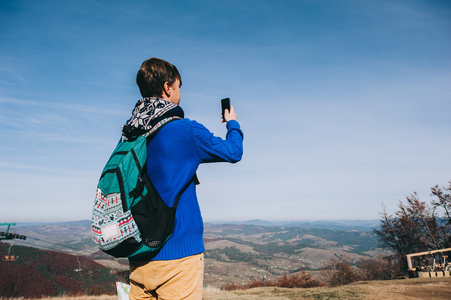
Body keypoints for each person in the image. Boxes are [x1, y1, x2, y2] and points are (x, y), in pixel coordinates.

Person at [125, 57, 244, 300]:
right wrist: (232, 123)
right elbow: (234, 152)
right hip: (178, 258)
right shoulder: (185, 130)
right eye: (179, 86)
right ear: (168, 87)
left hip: (139, 257)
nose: (179, 92)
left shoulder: (130, 134)